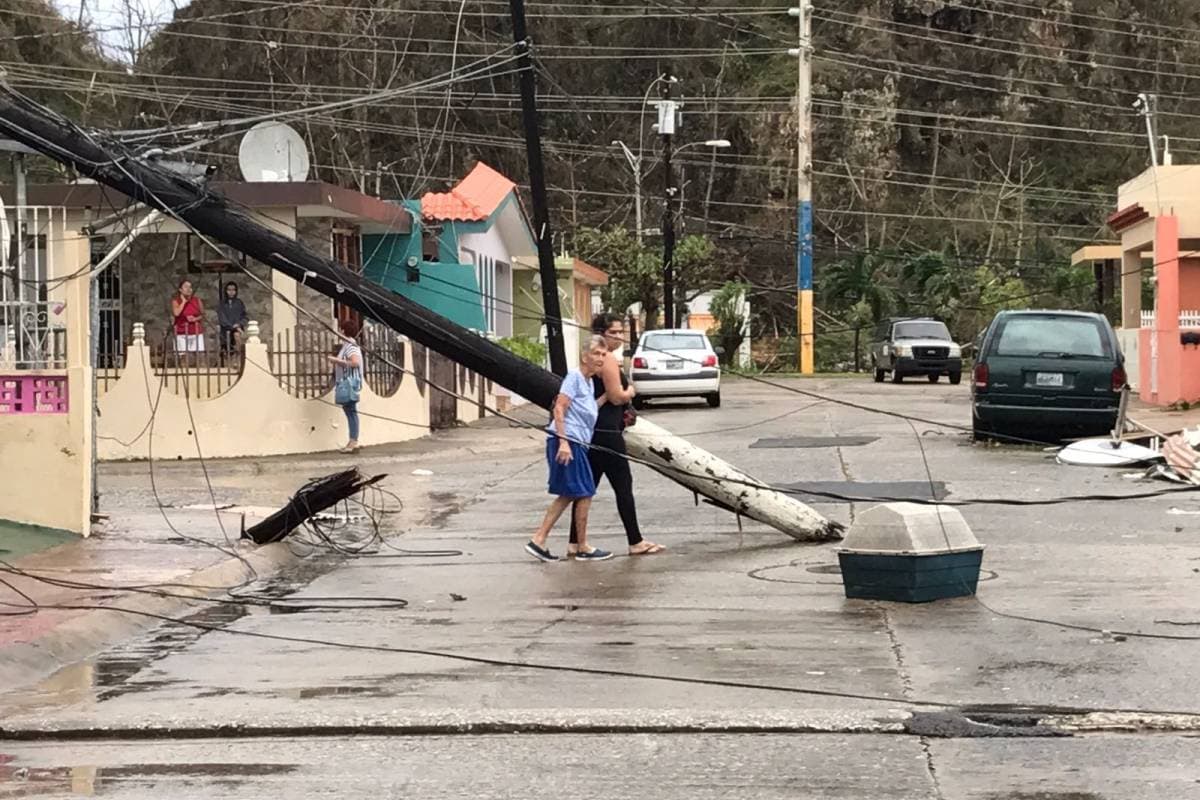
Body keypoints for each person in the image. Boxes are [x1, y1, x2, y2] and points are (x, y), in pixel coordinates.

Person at [569, 313, 665, 556]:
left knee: (586, 488)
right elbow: (615, 396)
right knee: (623, 485)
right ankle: (635, 541)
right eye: (615, 332)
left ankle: (574, 542)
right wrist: (630, 391)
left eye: (622, 332)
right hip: (607, 431)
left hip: (594, 430)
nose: (620, 337)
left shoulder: (594, 357)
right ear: (602, 333)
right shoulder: (608, 359)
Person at [526, 336, 613, 563]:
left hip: (578, 443)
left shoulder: (589, 382)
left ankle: (539, 539)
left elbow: (588, 408)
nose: (601, 358)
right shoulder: (574, 377)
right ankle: (581, 546)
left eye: (604, 354)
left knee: (569, 493)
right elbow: (559, 408)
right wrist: (564, 443)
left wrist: (611, 395)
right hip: (568, 441)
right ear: (585, 356)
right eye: (596, 354)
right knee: (584, 492)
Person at [327, 317, 364, 453]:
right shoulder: (348, 345)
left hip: (348, 382)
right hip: (347, 382)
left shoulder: (351, 346)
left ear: (343, 331)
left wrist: (336, 360)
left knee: (351, 411)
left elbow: (355, 362)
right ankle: (353, 440)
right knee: (350, 410)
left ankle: (353, 441)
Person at [170, 279, 204, 355]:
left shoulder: (197, 300)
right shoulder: (176, 301)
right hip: (181, 331)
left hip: (195, 330)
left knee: (198, 355)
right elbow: (176, 313)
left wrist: (195, 319)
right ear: (180, 290)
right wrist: (183, 302)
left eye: (190, 287)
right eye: (186, 287)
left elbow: (203, 315)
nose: (189, 289)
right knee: (182, 356)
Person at [217, 281, 248, 359]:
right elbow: (222, 318)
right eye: (229, 290)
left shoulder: (239, 303)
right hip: (226, 331)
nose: (231, 292)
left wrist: (239, 324)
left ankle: (238, 359)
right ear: (226, 291)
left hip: (237, 329)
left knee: (237, 336)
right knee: (227, 353)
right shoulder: (222, 304)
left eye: (233, 290)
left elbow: (244, 316)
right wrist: (233, 327)